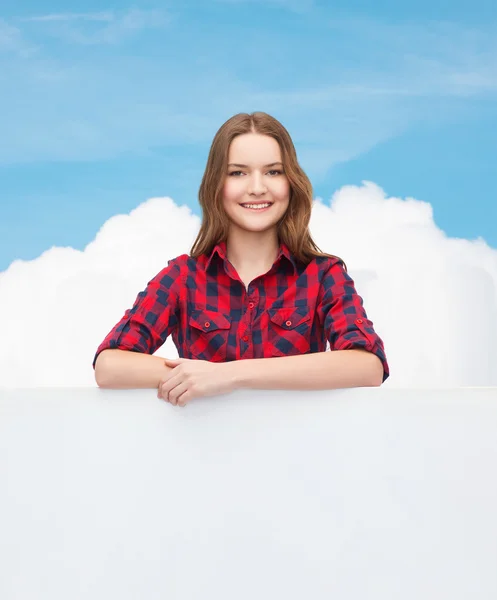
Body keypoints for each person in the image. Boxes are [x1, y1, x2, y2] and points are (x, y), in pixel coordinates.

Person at [93, 112, 389, 406]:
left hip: (300, 450)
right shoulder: (183, 276)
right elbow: (110, 366)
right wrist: (194, 376)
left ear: (291, 182)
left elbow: (367, 366)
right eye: (238, 173)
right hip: (202, 452)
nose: (257, 187)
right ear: (216, 186)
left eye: (273, 171)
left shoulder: (324, 275)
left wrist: (229, 375)